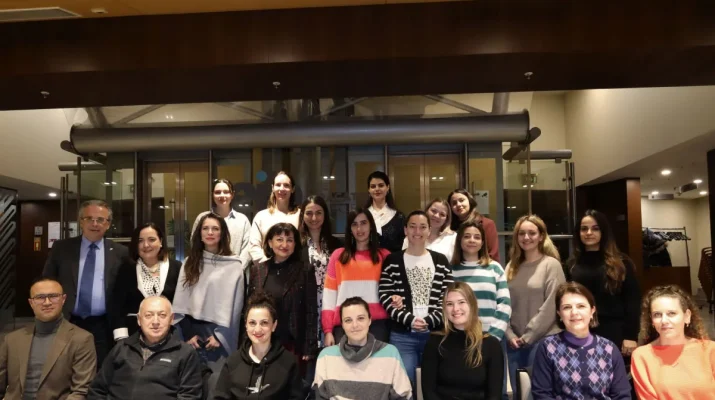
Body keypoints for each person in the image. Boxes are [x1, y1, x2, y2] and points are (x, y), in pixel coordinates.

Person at [43, 199, 130, 365]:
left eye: (100, 220)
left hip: (103, 325)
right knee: (64, 366)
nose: (95, 224)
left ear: (108, 224)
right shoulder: (62, 248)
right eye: (89, 218)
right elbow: (47, 282)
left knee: (100, 368)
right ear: (81, 221)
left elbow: (124, 291)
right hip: (67, 320)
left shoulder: (120, 252)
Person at [172, 213, 245, 397]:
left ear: (222, 233)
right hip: (191, 334)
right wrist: (188, 333)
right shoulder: (189, 263)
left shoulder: (234, 265)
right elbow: (180, 302)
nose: (210, 232)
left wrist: (220, 336)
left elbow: (236, 308)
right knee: (190, 387)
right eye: (205, 228)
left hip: (219, 335)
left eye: (215, 228)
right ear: (200, 233)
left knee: (217, 388)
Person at [379, 210, 454, 388]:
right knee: (405, 386)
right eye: (412, 227)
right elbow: (385, 295)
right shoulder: (392, 260)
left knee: (435, 384)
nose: (417, 231)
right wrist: (410, 320)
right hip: (402, 336)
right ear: (405, 230)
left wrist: (429, 320)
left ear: (429, 230)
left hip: (435, 334)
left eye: (422, 227)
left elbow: (448, 297)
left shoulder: (441, 261)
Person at [88, 296, 203, 400]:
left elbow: (189, 396)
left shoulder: (185, 353)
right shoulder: (122, 348)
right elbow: (97, 390)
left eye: (162, 315)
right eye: (149, 315)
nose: (155, 321)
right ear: (139, 319)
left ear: (171, 319)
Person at [531, 282, 631, 400]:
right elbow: (542, 395)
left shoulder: (609, 349)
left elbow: (622, 396)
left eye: (581, 306)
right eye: (567, 307)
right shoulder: (548, 347)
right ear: (559, 314)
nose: (574, 312)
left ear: (592, 311)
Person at [0, 278, 96, 399]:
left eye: (53, 296)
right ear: (31, 303)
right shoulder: (12, 339)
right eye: (40, 297)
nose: (47, 302)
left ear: (63, 299)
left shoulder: (81, 339)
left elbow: (81, 391)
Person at [566, 209, 641, 358]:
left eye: (595, 228)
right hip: (580, 330)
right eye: (584, 229)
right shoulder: (571, 264)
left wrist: (631, 335)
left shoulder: (621, 263)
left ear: (604, 232)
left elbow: (633, 301)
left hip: (614, 332)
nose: (589, 233)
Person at [504, 214, 565, 393]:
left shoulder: (551, 265)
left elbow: (552, 304)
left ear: (541, 236)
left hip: (543, 341)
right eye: (521, 233)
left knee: (539, 393)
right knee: (519, 393)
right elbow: (503, 302)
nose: (526, 237)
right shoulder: (511, 266)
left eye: (532, 233)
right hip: (514, 343)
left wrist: (528, 336)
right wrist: (509, 334)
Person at [246, 223, 318, 370]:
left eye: (289, 240)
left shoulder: (305, 270)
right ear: (270, 243)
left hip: (292, 343)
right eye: (279, 239)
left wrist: (309, 346)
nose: (284, 245)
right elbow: (248, 309)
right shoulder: (257, 270)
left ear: (295, 244)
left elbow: (311, 310)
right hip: (261, 341)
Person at [313, 297, 412, 400]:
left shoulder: (390, 353)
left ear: (369, 320)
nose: (355, 325)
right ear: (342, 325)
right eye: (348, 320)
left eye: (360, 318)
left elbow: (403, 396)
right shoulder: (326, 356)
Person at [422, 282, 504, 400]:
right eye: (449, 304)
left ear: (472, 305)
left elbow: (495, 395)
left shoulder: (491, 345)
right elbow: (429, 392)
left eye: (461, 302)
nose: (455, 309)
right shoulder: (434, 343)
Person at [631, 284, 715, 399]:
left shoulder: (710, 350)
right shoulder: (642, 356)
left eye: (671, 313)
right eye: (657, 315)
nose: (664, 320)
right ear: (652, 320)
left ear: (687, 316)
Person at [214, 293, 303, 400]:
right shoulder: (232, 362)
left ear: (274, 325)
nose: (257, 329)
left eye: (264, 323)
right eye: (252, 323)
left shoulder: (289, 362)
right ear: (246, 325)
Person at [322, 209, 391, 346]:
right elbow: (329, 296)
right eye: (354, 224)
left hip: (378, 325)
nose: (359, 229)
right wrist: (328, 330)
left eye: (363, 223)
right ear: (350, 229)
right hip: (345, 324)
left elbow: (392, 292)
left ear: (371, 226)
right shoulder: (338, 256)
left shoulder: (384, 256)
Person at [111, 222, 182, 341]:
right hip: (133, 335)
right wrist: (121, 337)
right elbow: (117, 305)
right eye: (140, 241)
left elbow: (183, 305)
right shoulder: (126, 269)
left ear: (161, 241)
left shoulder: (176, 267)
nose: (146, 245)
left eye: (151, 239)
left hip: (170, 334)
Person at [450, 221, 511, 341]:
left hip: (491, 337)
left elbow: (505, 304)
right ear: (459, 241)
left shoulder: (494, 268)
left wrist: (493, 336)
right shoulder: (450, 270)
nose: (472, 240)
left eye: (477, 237)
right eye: (467, 236)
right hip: (459, 339)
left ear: (482, 243)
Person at [298, 195, 342, 336]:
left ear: (325, 215)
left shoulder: (336, 245)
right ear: (302, 215)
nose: (314, 218)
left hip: (332, 304)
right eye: (309, 213)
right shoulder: (296, 246)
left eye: (318, 213)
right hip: (306, 307)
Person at [192, 179, 252, 267]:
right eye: (218, 192)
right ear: (212, 194)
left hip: (235, 270)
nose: (222, 195)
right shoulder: (202, 218)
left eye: (226, 192)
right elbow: (195, 244)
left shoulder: (242, 220)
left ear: (232, 195)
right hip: (206, 269)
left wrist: (238, 269)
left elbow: (248, 248)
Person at [248, 171, 301, 263]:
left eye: (286, 185)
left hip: (295, 268)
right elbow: (254, 247)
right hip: (267, 268)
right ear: (273, 188)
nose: (282, 188)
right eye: (278, 185)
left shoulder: (300, 215)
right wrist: (270, 266)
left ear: (292, 189)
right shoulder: (261, 216)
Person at [447, 189, 499, 263]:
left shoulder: (486, 224)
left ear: (470, 201)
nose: (458, 204)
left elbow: (492, 254)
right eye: (454, 203)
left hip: (482, 267)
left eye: (461, 200)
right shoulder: (450, 227)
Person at [365, 171, 405, 253]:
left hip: (393, 260)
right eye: (373, 186)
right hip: (366, 260)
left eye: (381, 185)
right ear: (369, 190)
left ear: (388, 187)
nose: (377, 189)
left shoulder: (399, 217)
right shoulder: (362, 216)